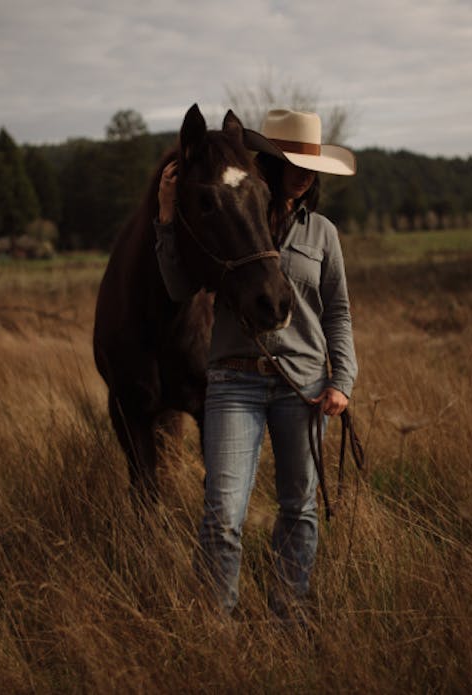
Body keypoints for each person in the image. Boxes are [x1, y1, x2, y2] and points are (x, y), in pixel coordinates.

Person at [154, 108, 358, 615]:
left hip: (304, 386)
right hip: (233, 380)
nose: (305, 173)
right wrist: (165, 217)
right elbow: (180, 287)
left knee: (300, 510)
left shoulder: (323, 235)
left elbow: (338, 312)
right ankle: (216, 626)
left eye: (312, 165)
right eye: (293, 161)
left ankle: (289, 617)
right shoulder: (234, 212)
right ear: (267, 162)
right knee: (222, 513)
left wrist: (343, 379)